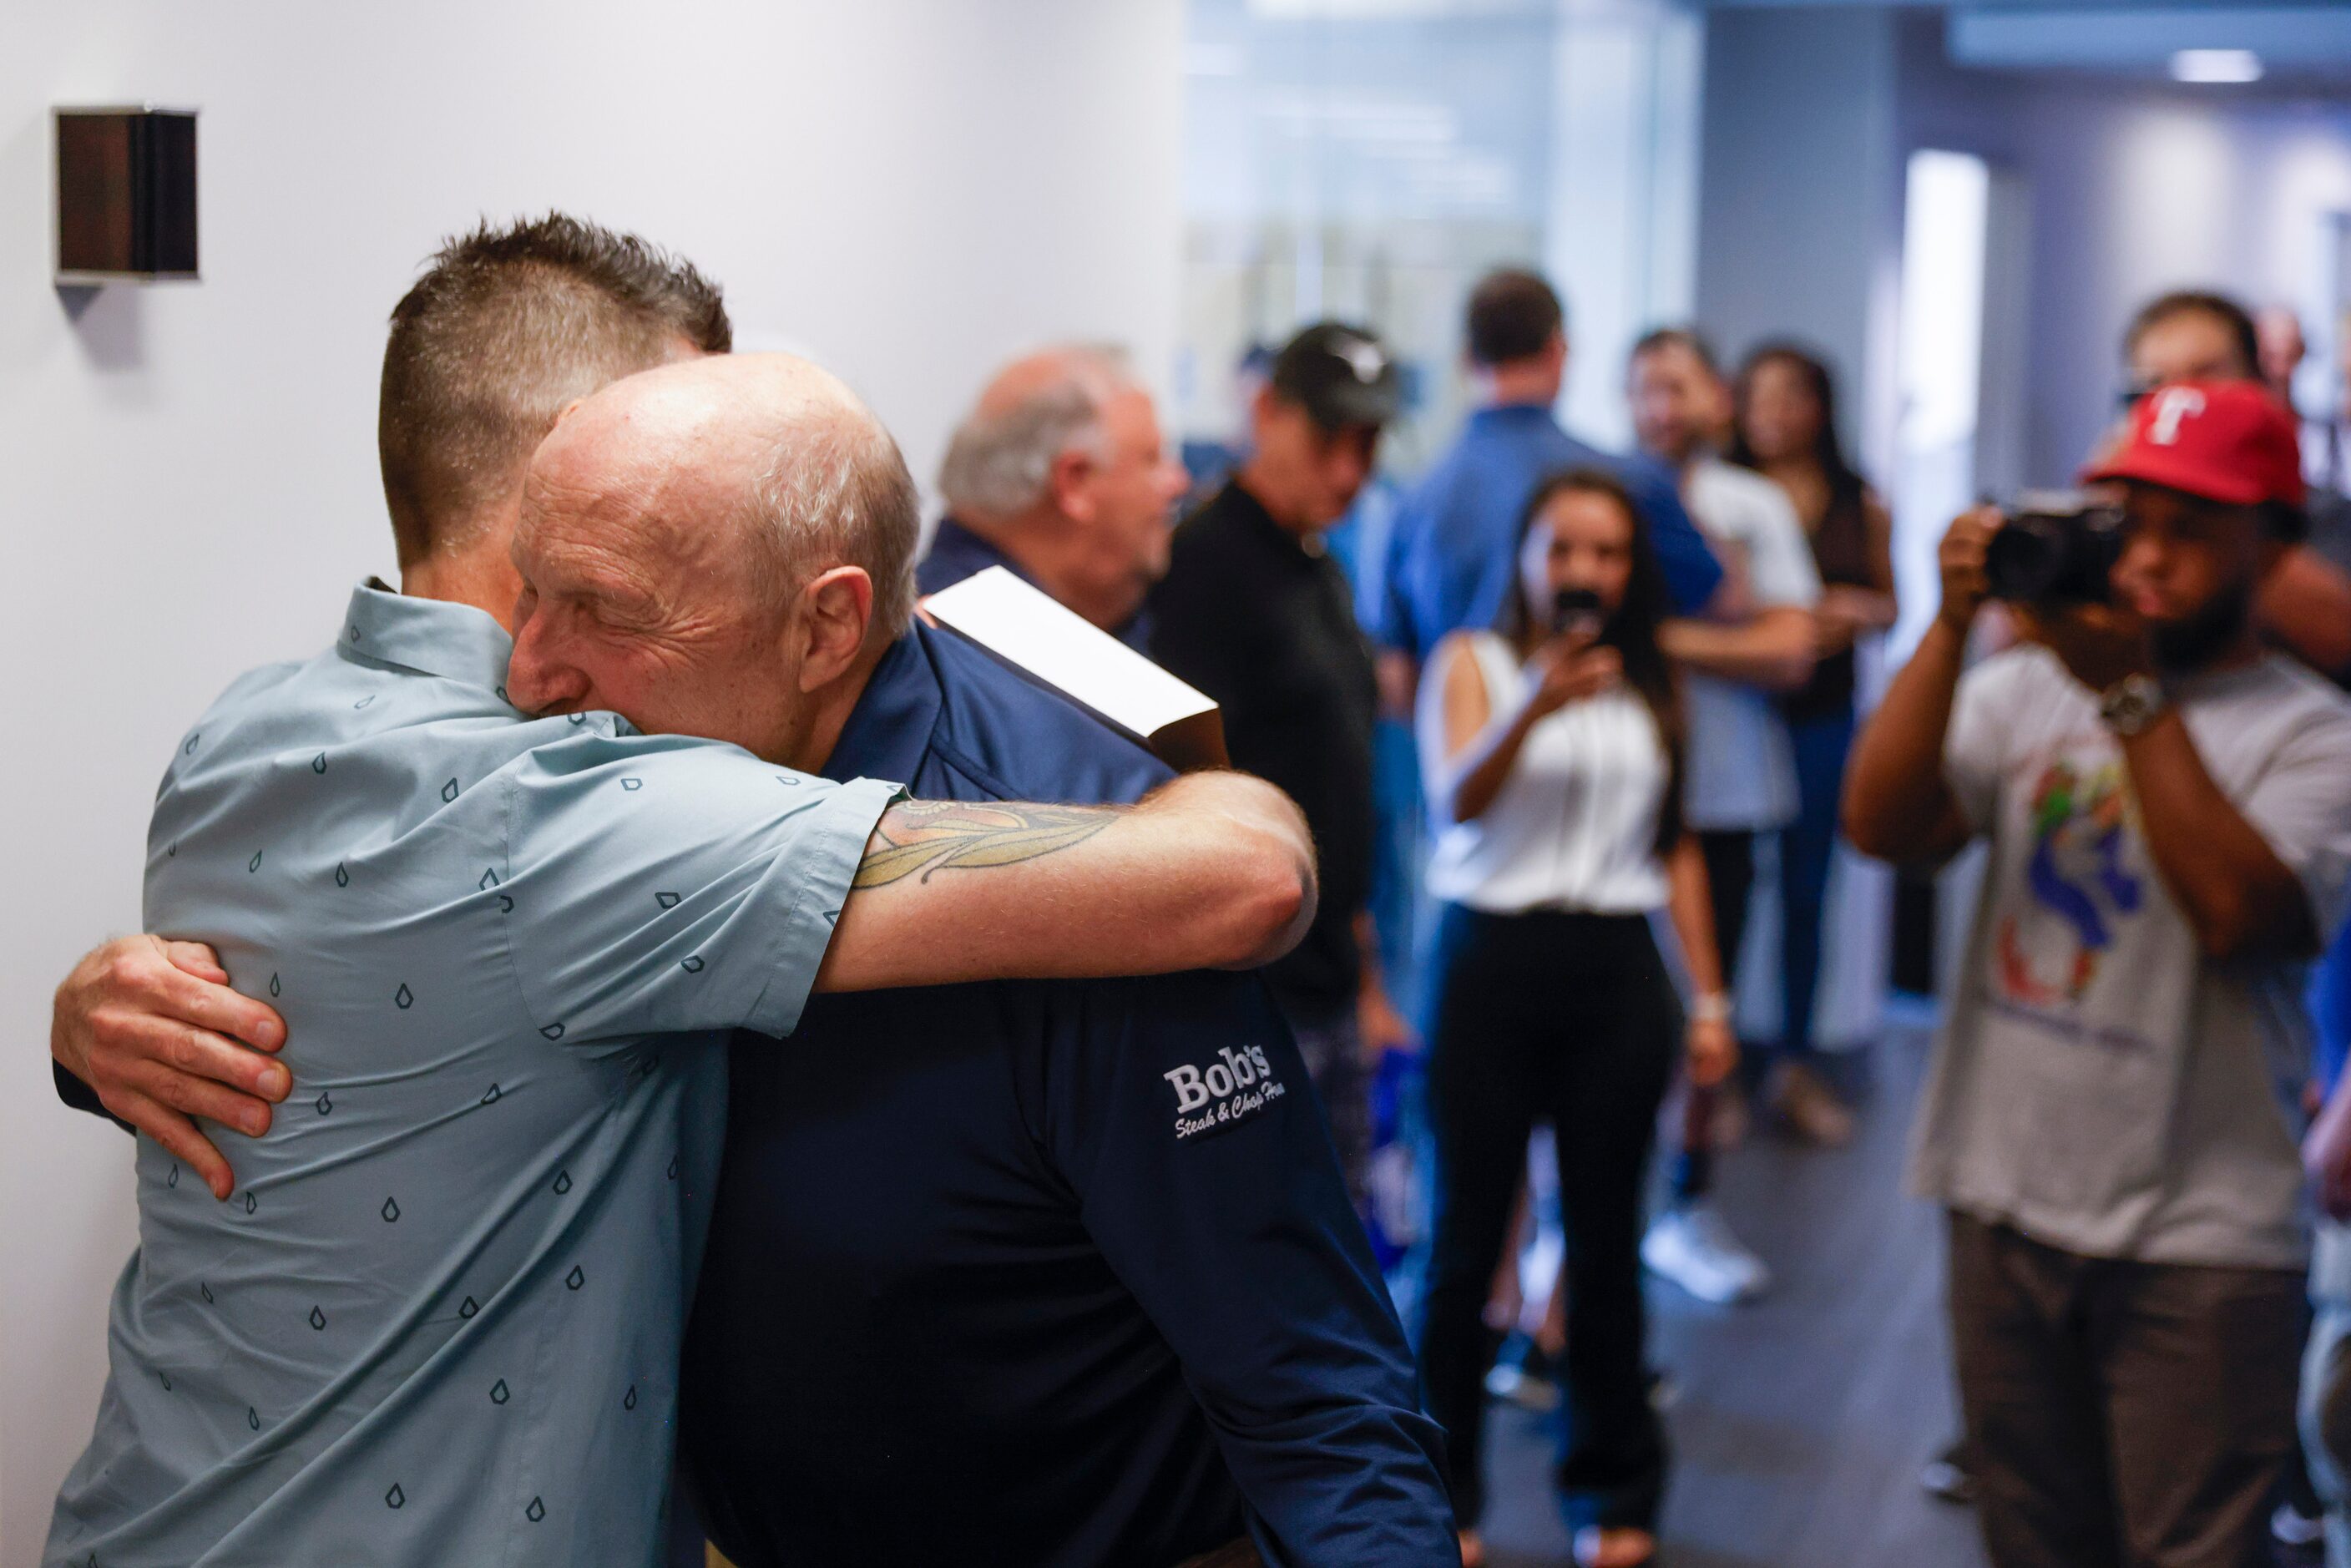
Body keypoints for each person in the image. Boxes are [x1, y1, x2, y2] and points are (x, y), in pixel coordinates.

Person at [39, 222, 1319, 1566]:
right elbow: (1239, 881)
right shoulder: (591, 812)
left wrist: (80, 1022)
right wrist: (1228, 787)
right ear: (573, 458)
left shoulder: (246, 731)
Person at [1846, 378, 2351, 1568]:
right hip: (2003, 1196)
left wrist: (2129, 695)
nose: (2152, 561)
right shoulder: (2025, 685)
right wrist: (1948, 622)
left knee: (2191, 1551)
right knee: (2033, 1542)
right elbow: (1884, 826)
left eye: (2194, 530)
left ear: (2273, 545)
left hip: (2205, 1239)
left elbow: (2241, 916)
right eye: (2132, 524)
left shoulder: (2313, 732)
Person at [1414, 468, 1737, 1568]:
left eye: (1604, 553)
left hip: (1614, 965)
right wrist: (1533, 703)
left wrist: (1709, 998)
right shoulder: (1473, 661)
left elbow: (1676, 842)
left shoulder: (1655, 680)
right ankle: (1437, 1492)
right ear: (1524, 556)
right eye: (1562, 550)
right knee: (1466, 1239)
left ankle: (1612, 1485)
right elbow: (1454, 795)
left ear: (1629, 566)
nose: (1584, 573)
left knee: (1606, 1239)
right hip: (1489, 956)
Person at [1149, 321, 1418, 1212]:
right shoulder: (1202, 567)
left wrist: (1366, 970)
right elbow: (1183, 790)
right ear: (1267, 412)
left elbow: (1336, 785)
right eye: (1327, 440)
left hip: (1327, 972)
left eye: (1368, 444)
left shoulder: (1319, 569)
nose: (1348, 471)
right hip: (1250, 990)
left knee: (1338, 1243)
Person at [1625, 328, 1821, 1306]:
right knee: (1616, 1021)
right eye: (1642, 390)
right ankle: (1583, 1229)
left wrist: (1656, 637)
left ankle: (1686, 1207)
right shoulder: (1603, 501)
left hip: (1732, 799)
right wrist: (1723, 635)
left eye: (1677, 387)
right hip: (1625, 809)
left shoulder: (1752, 505)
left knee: (1708, 1021)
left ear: (1716, 400)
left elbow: (1793, 647)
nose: (1659, 408)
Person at [1375, 270, 1723, 710]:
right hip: (1604, 749)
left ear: (1466, 360)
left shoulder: (1412, 502)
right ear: (1559, 350)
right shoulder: (1630, 481)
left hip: (1462, 753)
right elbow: (1722, 604)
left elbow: (1398, 681)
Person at [1727, 343, 1898, 1135]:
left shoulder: (1859, 498)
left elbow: (1889, 605)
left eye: (1789, 396)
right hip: (1739, 711)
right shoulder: (1719, 495)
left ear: (1821, 407)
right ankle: (1718, 1064)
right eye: (1758, 396)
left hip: (1822, 716)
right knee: (1725, 887)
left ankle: (1793, 1065)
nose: (1773, 413)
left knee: (1806, 893)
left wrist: (1839, 611)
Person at [2125, 291, 2351, 680]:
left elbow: (2339, 640)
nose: (2180, 401)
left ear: (2256, 379)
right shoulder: (2113, 497)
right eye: (2156, 383)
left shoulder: (2325, 515)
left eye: (2204, 376)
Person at [919, 344, 1191, 648]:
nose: (1180, 482)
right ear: (1075, 481)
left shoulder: (1087, 620)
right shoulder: (956, 654)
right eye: (1152, 460)